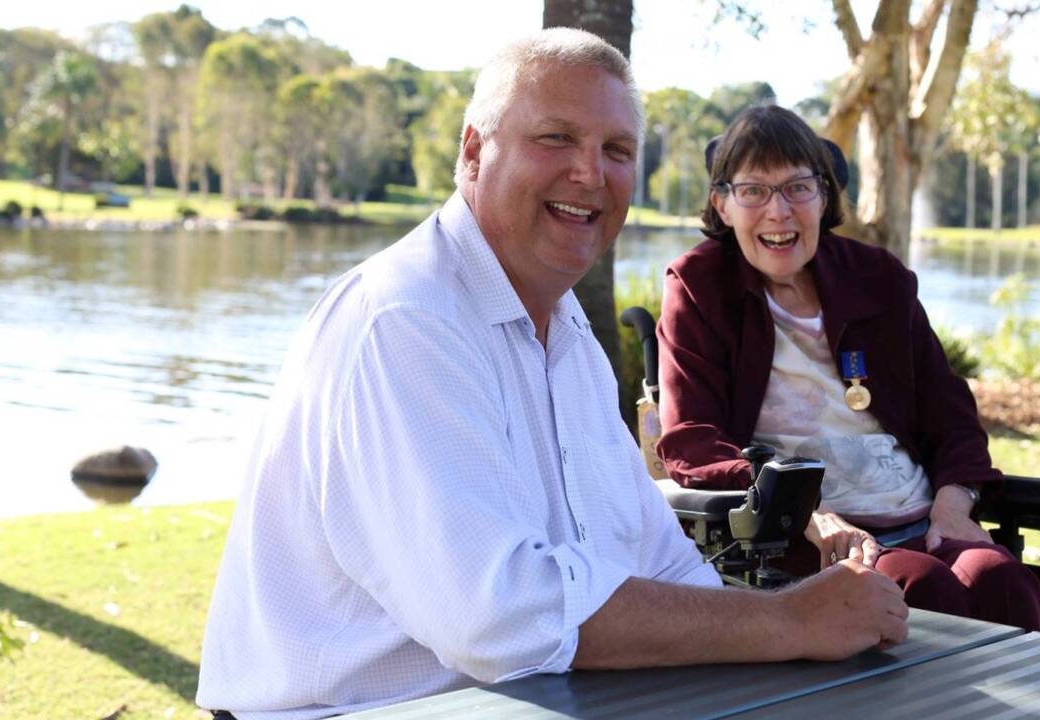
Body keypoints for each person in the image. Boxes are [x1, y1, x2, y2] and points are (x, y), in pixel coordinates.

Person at [197, 31, 907, 719]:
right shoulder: (406, 320)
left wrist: (786, 632)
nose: (590, 173)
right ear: (474, 153)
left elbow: (659, 560)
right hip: (357, 710)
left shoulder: (568, 337)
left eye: (616, 150)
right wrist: (785, 624)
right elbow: (498, 616)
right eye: (556, 138)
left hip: (527, 699)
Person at [656, 105, 1040, 631]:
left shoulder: (877, 278)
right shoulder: (701, 286)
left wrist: (953, 507)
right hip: (804, 537)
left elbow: (950, 414)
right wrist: (799, 510)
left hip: (919, 514)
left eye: (798, 187)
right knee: (917, 588)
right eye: (753, 191)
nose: (778, 211)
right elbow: (691, 439)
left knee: (1001, 578)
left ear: (824, 197)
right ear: (722, 204)